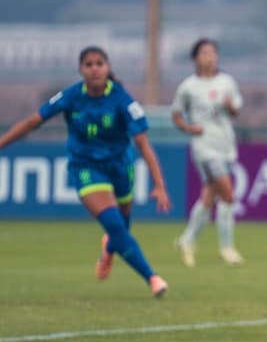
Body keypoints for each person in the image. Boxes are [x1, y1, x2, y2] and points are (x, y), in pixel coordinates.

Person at [0, 46, 169, 297]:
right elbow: (33, 122)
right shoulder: (71, 96)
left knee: (121, 226)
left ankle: (109, 247)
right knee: (114, 224)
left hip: (120, 166)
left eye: (99, 63)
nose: (94, 69)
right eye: (88, 64)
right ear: (81, 70)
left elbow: (143, 144)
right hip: (86, 167)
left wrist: (159, 185)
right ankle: (152, 278)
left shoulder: (123, 100)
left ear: (107, 67)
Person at [171, 38, 244, 267]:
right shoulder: (188, 87)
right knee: (228, 195)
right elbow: (176, 115)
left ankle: (187, 240)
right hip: (204, 147)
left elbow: (235, 112)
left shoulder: (227, 82)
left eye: (213, 53)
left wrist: (230, 106)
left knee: (208, 197)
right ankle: (227, 248)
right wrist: (190, 128)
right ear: (195, 58)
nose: (209, 57)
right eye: (204, 53)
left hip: (225, 145)